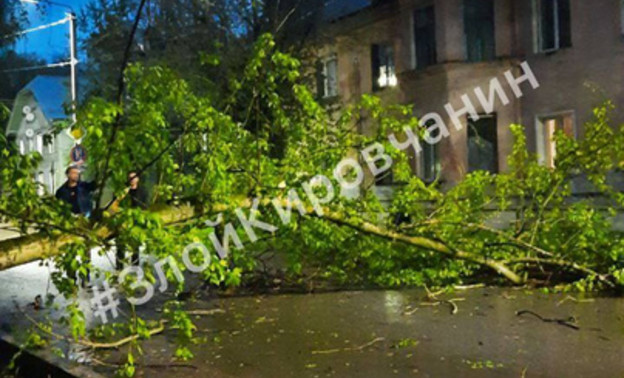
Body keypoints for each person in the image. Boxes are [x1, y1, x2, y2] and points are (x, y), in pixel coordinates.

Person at [116, 171, 148, 270]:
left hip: (136, 220)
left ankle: (135, 268)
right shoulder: (123, 191)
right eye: (130, 177)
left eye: (134, 177)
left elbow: (145, 206)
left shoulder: (143, 191)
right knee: (120, 246)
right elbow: (117, 204)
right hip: (124, 220)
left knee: (135, 246)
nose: (132, 179)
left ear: (137, 179)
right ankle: (119, 268)